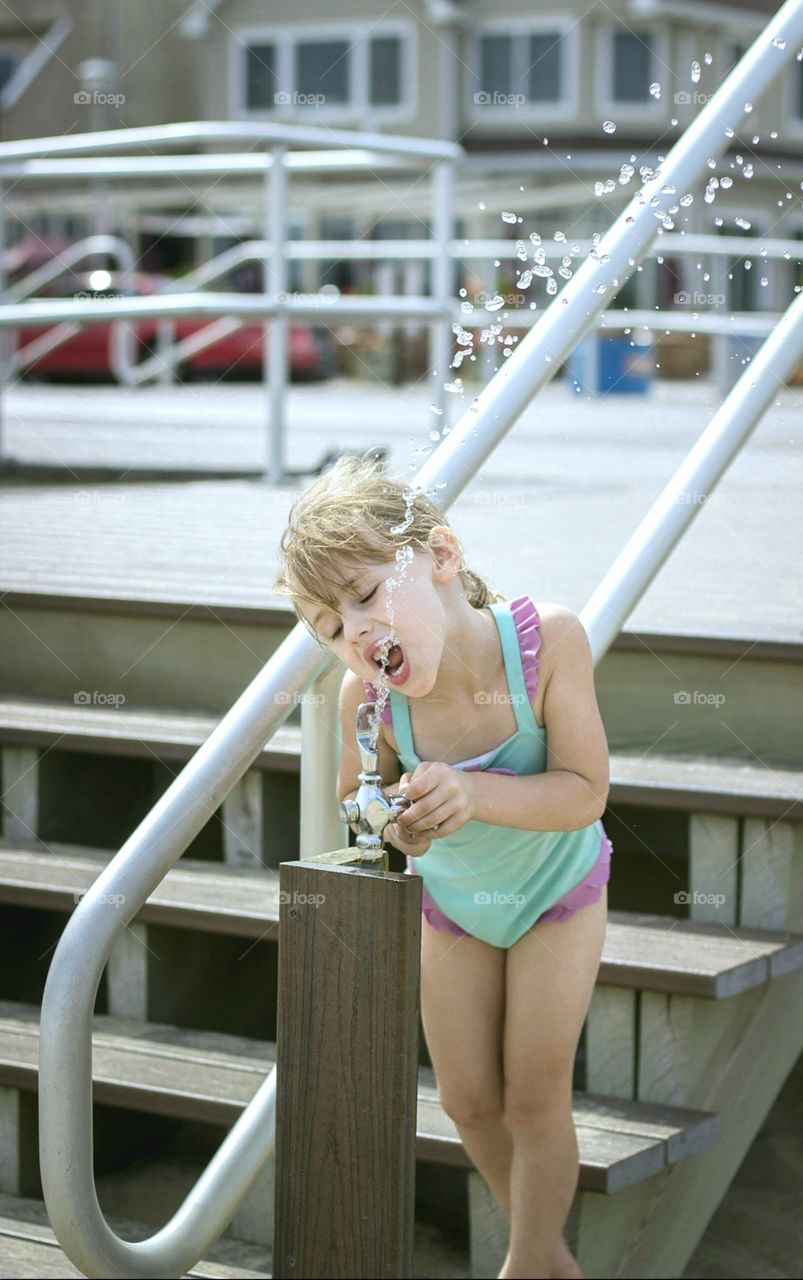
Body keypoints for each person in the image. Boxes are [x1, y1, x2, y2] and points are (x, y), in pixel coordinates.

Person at [274, 454, 612, 1280]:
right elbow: (361, 801)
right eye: (328, 625)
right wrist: (398, 823)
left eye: (364, 594)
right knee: (465, 1100)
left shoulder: (545, 644)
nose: (353, 630)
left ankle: (527, 1262)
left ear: (442, 557)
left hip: (555, 892)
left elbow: (584, 792)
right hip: (454, 904)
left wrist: (472, 790)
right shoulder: (372, 703)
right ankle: (551, 1256)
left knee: (535, 1097)